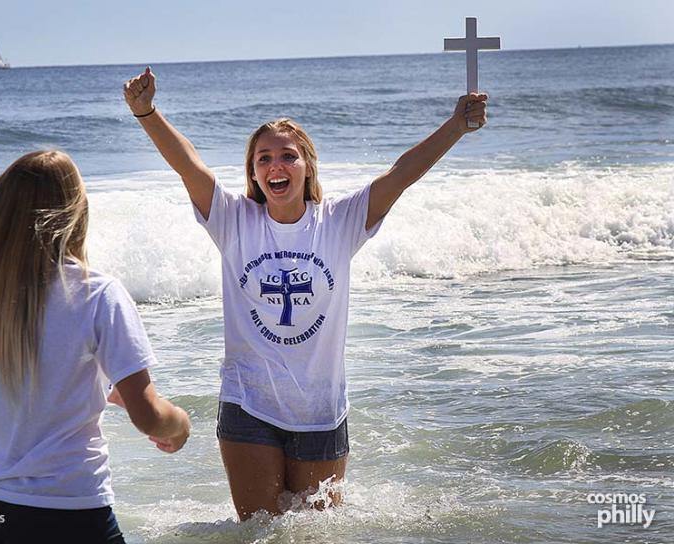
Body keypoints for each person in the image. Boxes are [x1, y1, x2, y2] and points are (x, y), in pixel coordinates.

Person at [123, 67, 487, 520]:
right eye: (263, 158)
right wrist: (147, 113)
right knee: (259, 531)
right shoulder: (233, 220)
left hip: (321, 410)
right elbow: (187, 163)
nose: (276, 165)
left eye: (288, 156)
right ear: (253, 173)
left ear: (307, 164)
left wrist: (457, 126)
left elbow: (401, 175)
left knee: (315, 532)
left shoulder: (338, 222)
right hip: (248, 402)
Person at [0, 150, 191, 544]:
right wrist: (180, 424)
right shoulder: (98, 293)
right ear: (76, 210)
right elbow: (150, 417)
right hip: (76, 509)